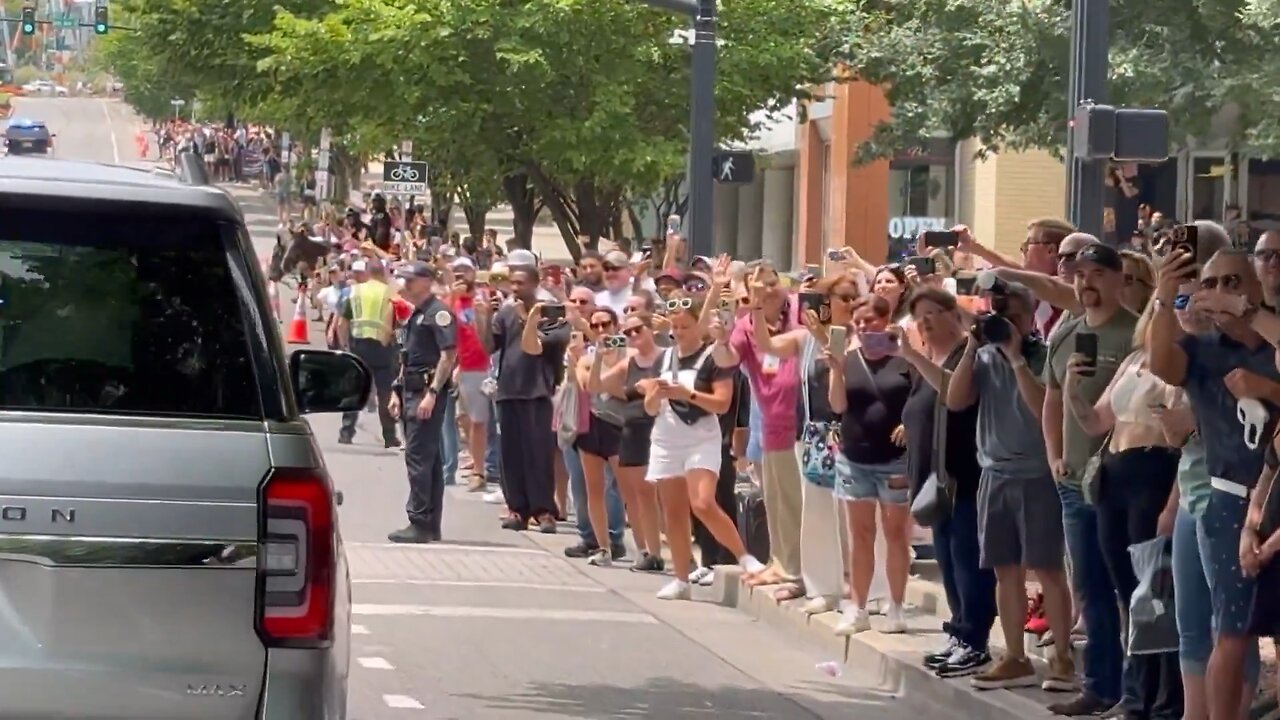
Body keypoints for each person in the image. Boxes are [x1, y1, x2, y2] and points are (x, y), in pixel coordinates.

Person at [1042, 242, 1136, 716]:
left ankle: (1139, 693)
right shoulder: (1066, 334)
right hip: (1074, 483)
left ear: (1120, 279)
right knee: (1090, 590)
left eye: (1097, 273)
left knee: (1132, 589)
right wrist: (1055, 456)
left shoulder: (1137, 333)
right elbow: (1052, 401)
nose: (1085, 283)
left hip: (1123, 485)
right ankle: (1100, 685)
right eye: (1078, 275)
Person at [386, 261, 457, 543]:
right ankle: (429, 523)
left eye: (410, 280)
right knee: (428, 459)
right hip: (411, 390)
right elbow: (408, 357)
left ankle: (419, 520)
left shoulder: (439, 313)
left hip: (426, 393)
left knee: (418, 457)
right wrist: (396, 390)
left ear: (426, 282)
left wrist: (433, 393)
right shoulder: (418, 314)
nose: (405, 285)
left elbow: (448, 356)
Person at [337, 259, 400, 448]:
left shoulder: (355, 291)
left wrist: (345, 346)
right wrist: (400, 346)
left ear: (368, 273)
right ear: (383, 272)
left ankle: (346, 432)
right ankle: (390, 436)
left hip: (358, 347)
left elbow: (342, 323)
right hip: (384, 348)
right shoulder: (392, 294)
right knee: (385, 392)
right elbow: (400, 325)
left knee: (355, 389)